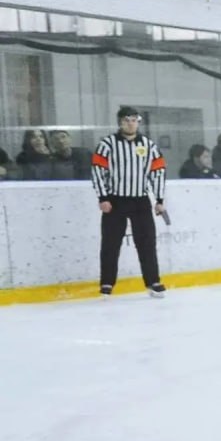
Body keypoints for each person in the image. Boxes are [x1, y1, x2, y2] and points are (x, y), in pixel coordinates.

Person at [91, 106, 167, 298]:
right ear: (120, 122)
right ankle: (107, 283)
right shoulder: (107, 144)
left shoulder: (148, 145)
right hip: (115, 200)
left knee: (147, 242)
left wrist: (158, 199)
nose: (130, 123)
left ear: (138, 122)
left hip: (140, 201)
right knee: (110, 243)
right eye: (126, 120)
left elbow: (157, 172)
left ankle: (153, 281)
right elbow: (98, 171)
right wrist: (103, 197)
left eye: (134, 119)